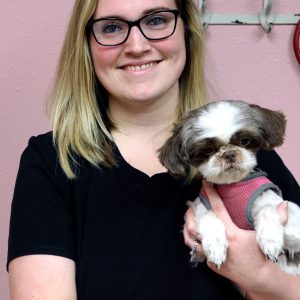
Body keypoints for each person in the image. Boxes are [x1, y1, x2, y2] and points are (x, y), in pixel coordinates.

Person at [6, 0, 300, 299]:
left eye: (156, 21)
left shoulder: (250, 153)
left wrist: (260, 277)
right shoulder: (51, 162)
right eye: (111, 27)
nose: (137, 45)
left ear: (187, 31)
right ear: (86, 45)